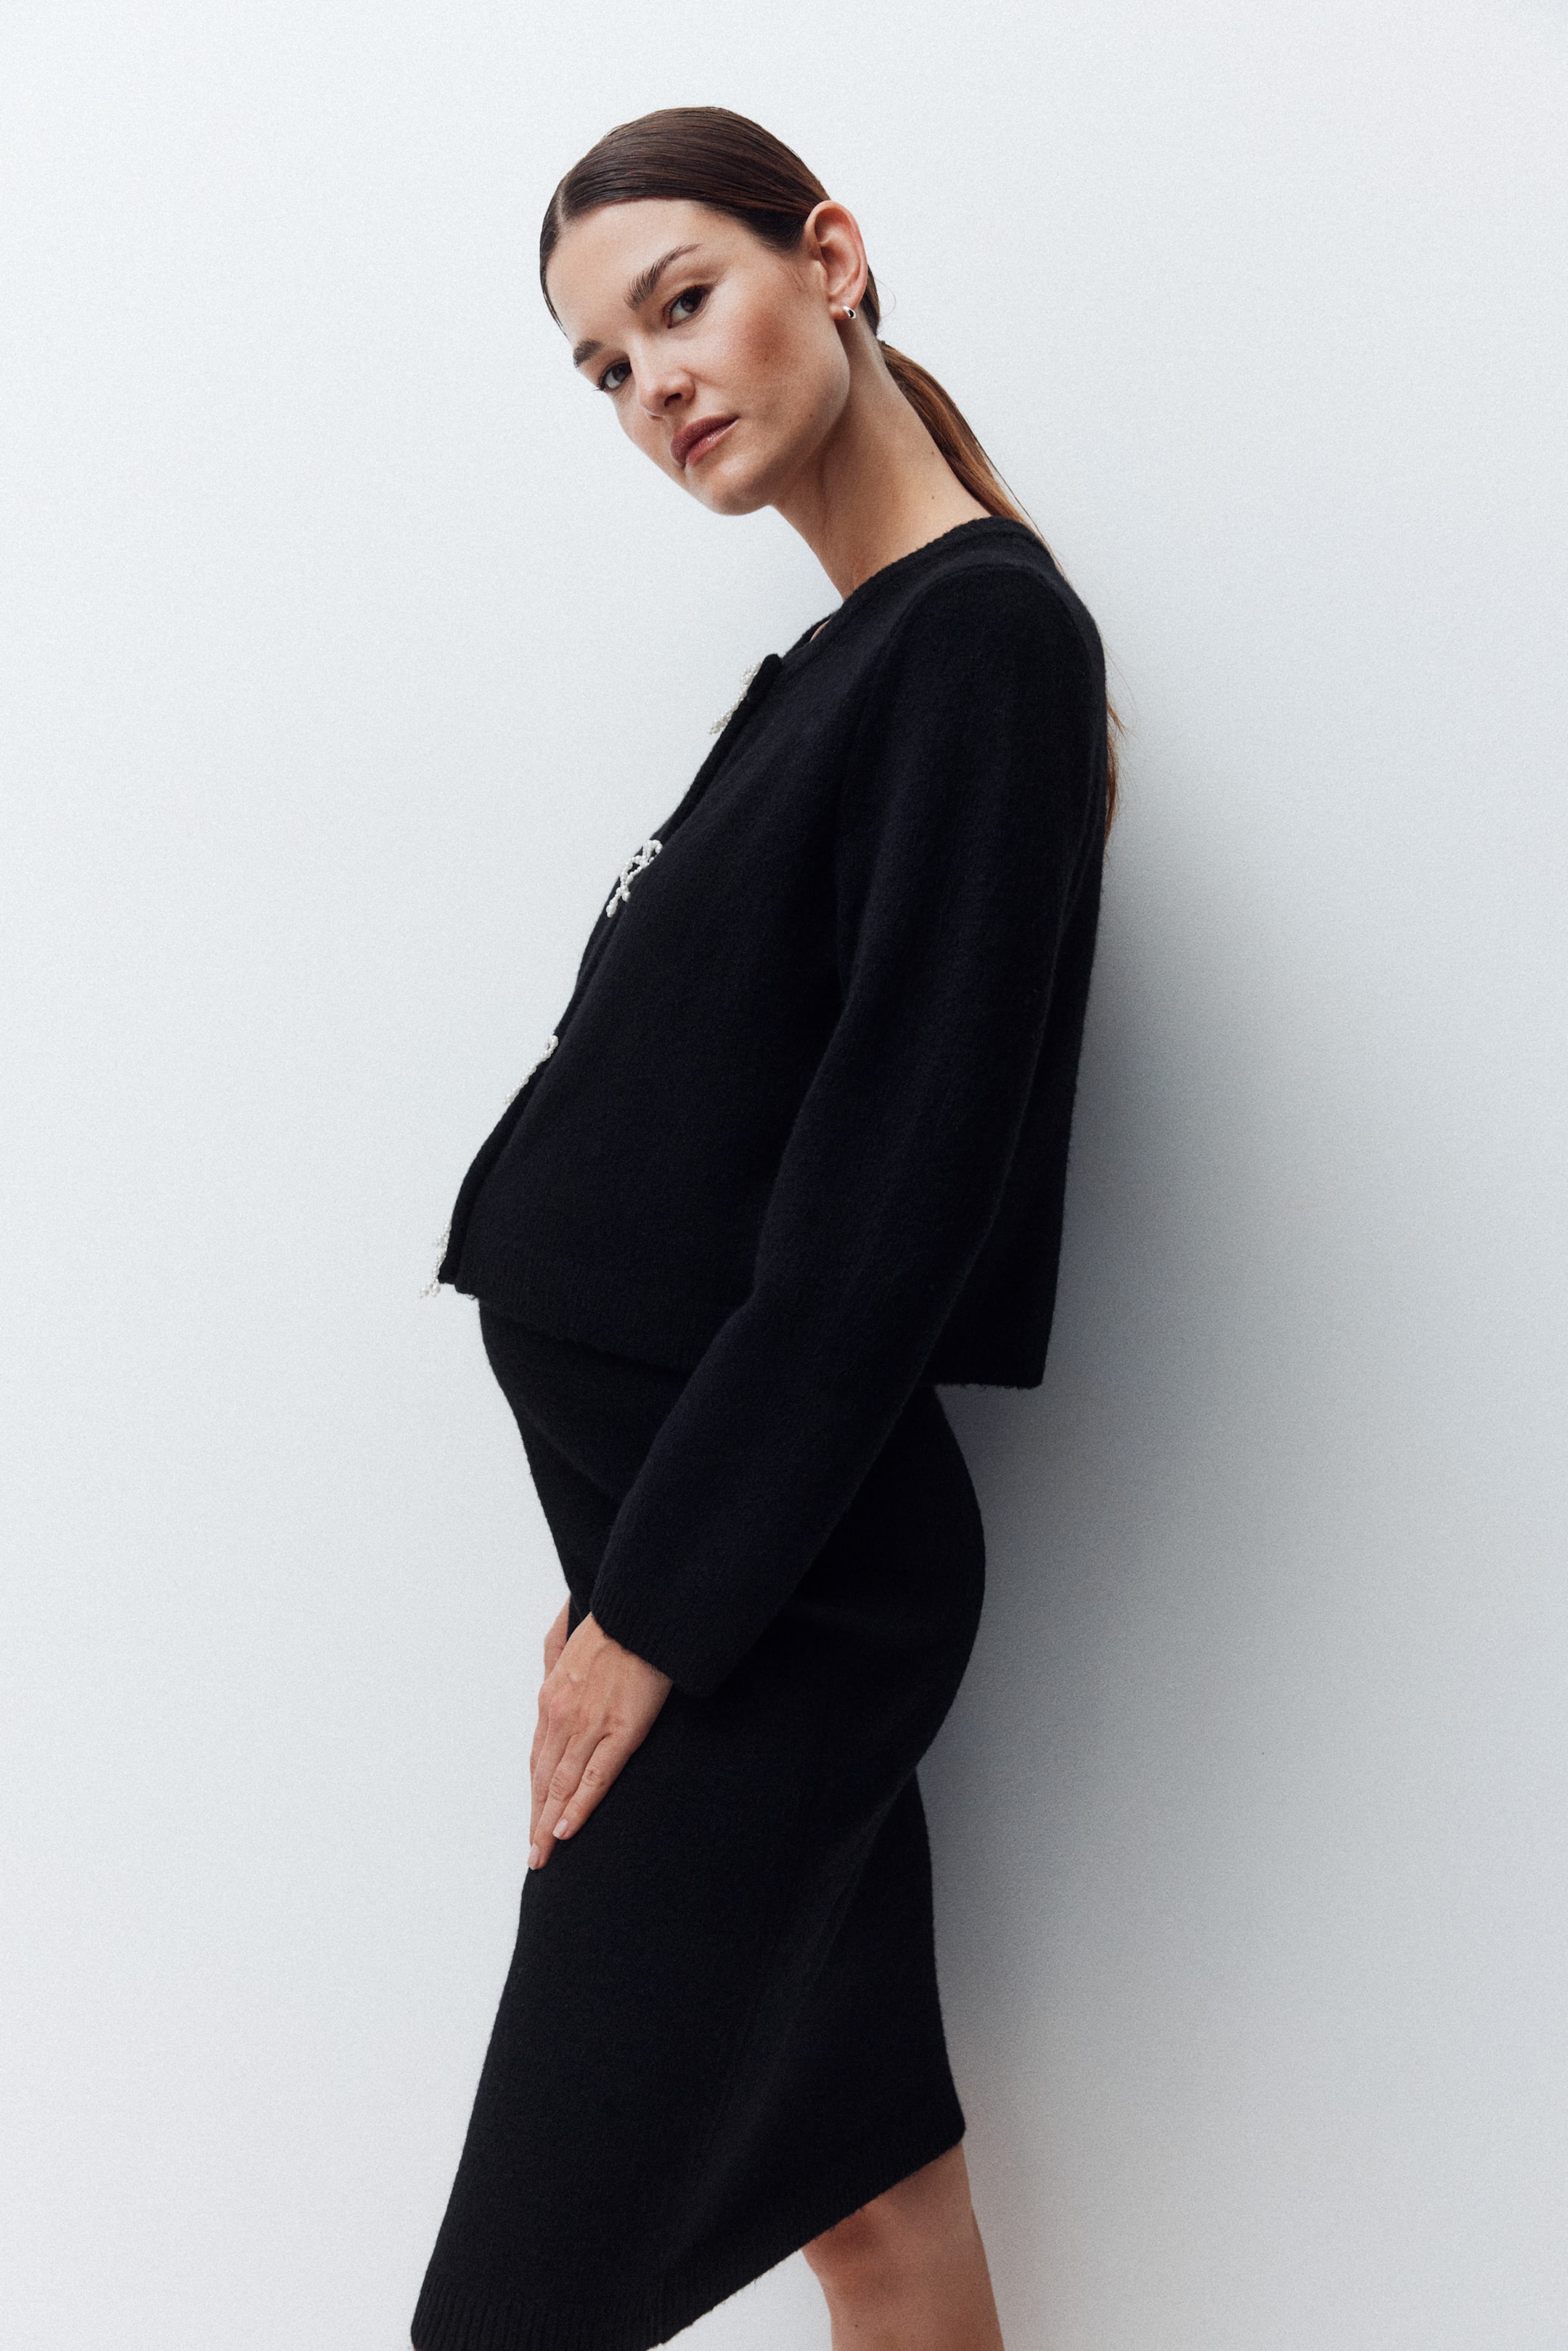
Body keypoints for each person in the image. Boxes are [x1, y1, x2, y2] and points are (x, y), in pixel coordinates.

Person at [412, 105, 1112, 2351]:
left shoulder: (979, 648)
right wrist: (638, 1567)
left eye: (680, 304)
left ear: (833, 254)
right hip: (717, 1565)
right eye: (606, 369)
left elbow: (888, 1203)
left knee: (511, 2309)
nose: (656, 386)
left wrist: (663, 1610)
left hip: (775, 1611)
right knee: (876, 2211)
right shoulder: (846, 666)